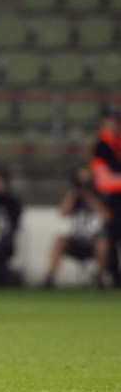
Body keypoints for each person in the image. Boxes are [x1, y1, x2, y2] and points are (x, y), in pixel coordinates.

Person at [42, 166, 113, 289]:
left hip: (94, 241)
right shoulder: (74, 197)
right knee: (60, 240)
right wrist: (74, 194)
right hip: (76, 241)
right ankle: (49, 276)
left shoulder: (101, 195)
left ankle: (100, 278)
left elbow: (107, 217)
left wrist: (90, 198)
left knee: (103, 243)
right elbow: (62, 212)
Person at [90, 107, 121, 288]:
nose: (114, 124)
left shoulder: (115, 142)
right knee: (110, 238)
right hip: (109, 196)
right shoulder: (103, 144)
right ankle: (112, 275)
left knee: (113, 238)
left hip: (115, 196)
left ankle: (114, 275)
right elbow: (114, 166)